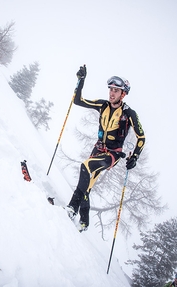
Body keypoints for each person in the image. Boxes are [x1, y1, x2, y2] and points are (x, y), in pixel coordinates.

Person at [65, 65, 145, 232]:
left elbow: (141, 137)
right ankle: (79, 218)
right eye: (110, 89)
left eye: (116, 90)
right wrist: (81, 81)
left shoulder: (129, 113)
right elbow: (78, 100)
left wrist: (135, 157)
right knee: (87, 183)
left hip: (112, 155)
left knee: (85, 166)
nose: (111, 93)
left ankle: (77, 211)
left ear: (123, 94)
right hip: (98, 149)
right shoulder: (103, 105)